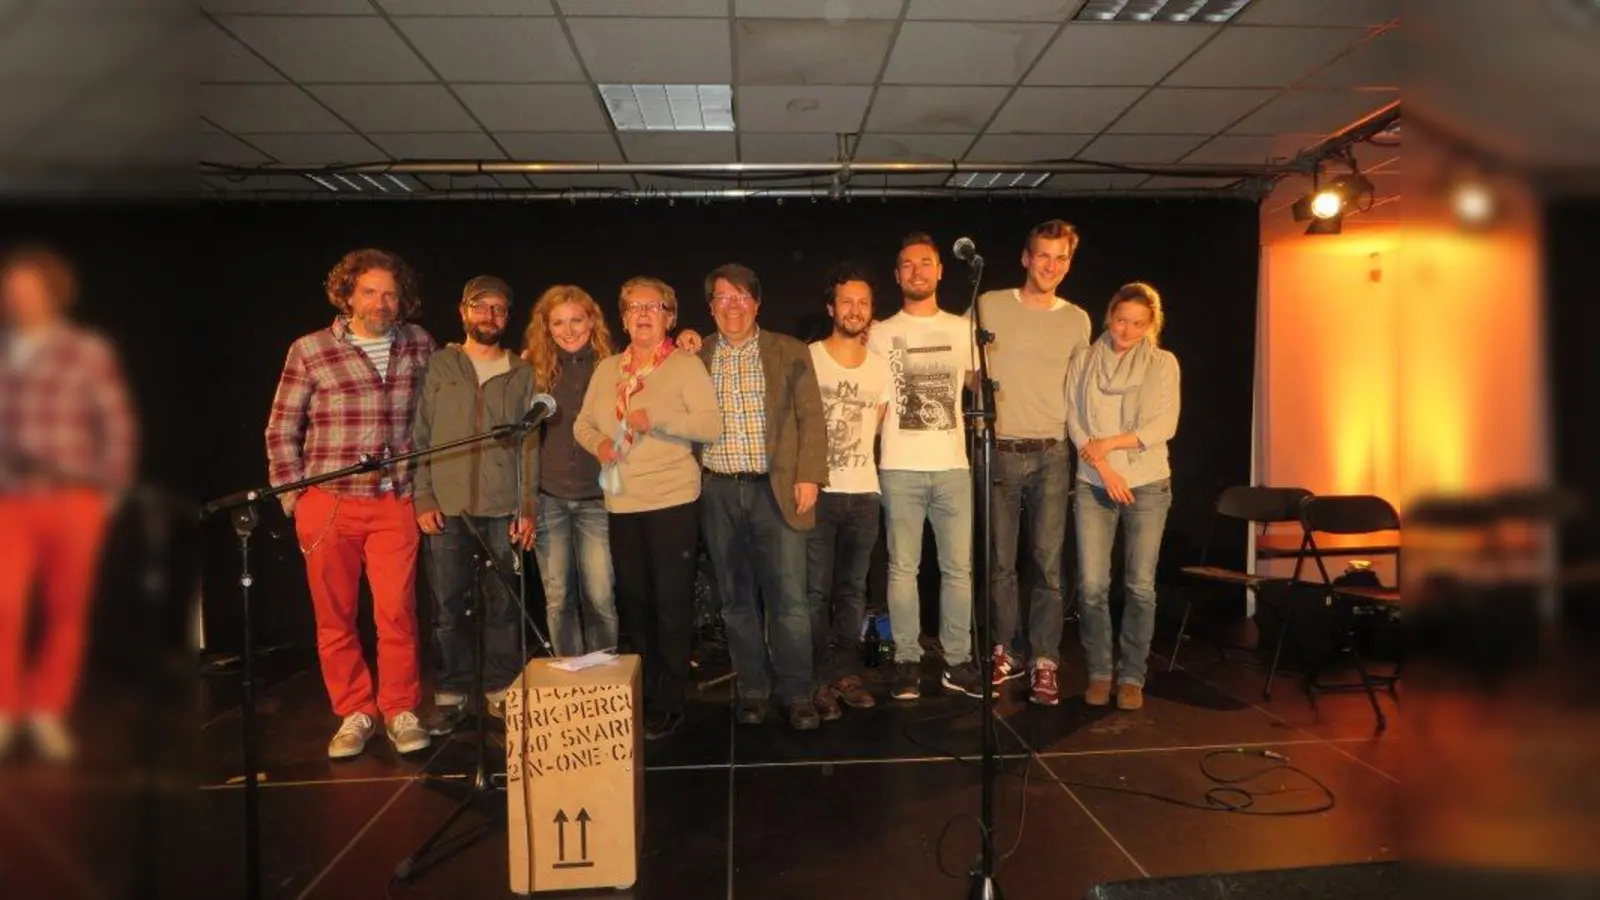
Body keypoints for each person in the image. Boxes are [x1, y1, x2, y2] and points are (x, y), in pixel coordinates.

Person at [265, 247, 435, 759]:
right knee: (334, 616)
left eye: (390, 294)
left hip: (395, 499)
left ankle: (400, 709)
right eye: (369, 292)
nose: (381, 303)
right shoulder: (310, 349)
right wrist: (294, 497)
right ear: (347, 295)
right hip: (330, 502)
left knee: (397, 612)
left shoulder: (419, 344)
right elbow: (282, 427)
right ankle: (354, 711)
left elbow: (437, 414)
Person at [0, 245, 137, 762]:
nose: (19, 298)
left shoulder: (85, 349)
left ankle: (47, 708)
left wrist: (110, 493)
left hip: (73, 497)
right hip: (9, 498)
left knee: (67, 609)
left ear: (53, 293)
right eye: (12, 289)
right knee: (5, 605)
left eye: (29, 289)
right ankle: (5, 708)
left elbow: (115, 421)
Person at [573, 277, 719, 740]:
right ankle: (644, 693)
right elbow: (582, 424)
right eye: (633, 307)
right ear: (623, 318)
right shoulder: (607, 369)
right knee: (634, 604)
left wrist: (656, 418)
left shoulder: (685, 365)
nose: (642, 314)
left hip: (672, 499)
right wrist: (599, 444)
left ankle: (670, 700)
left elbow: (710, 425)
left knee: (671, 604)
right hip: (622, 502)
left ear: (669, 317)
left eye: (653, 307)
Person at [696, 263, 829, 731]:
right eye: (722, 297)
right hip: (717, 491)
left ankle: (797, 692)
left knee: (789, 598)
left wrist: (810, 475)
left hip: (777, 489)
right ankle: (752, 687)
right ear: (710, 307)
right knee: (735, 600)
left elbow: (812, 417)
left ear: (757, 303)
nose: (732, 306)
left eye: (741, 297)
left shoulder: (789, 351)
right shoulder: (695, 355)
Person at [974, 219, 1092, 706]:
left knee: (1047, 564)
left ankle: (1045, 660)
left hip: (1051, 453)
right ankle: (1004, 650)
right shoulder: (988, 304)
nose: (1051, 265)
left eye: (1061, 257)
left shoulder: (1078, 320)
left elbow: (1083, 390)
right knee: (1000, 562)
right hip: (999, 449)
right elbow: (963, 364)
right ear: (1026, 258)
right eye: (1043, 255)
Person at [412, 275, 536, 726]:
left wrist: (526, 506)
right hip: (447, 507)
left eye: (499, 308)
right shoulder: (439, 365)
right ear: (463, 311)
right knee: (448, 607)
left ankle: (501, 688)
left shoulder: (522, 372)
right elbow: (421, 434)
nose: (490, 315)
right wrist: (423, 495)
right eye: (481, 306)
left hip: (502, 506)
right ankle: (451, 692)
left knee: (504, 606)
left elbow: (529, 445)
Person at [869, 232, 982, 701]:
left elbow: (981, 385)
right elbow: (871, 400)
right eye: (907, 264)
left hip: (953, 467)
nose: (917, 271)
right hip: (899, 467)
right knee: (902, 569)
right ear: (897, 275)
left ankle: (957, 660)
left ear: (940, 270)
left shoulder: (963, 329)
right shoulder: (879, 333)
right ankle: (907, 660)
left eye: (925, 263)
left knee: (958, 570)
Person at [1064, 282, 1180, 712]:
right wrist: (1106, 469)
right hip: (1095, 482)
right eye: (1120, 320)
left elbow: (1163, 426)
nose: (1126, 331)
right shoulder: (1084, 360)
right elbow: (1074, 421)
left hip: (1148, 482)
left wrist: (1109, 445)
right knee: (1092, 586)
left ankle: (1132, 676)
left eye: (1137, 323)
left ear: (1151, 325)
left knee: (1139, 585)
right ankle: (1099, 672)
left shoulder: (1163, 363)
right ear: (1109, 316)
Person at [807, 263, 890, 717]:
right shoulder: (809, 358)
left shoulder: (880, 368)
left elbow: (876, 426)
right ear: (830, 308)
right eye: (846, 301)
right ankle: (817, 679)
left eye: (863, 302)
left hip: (864, 494)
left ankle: (844, 673)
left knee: (853, 591)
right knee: (815, 592)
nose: (854, 310)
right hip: (819, 493)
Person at [523, 285, 619, 657]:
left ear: (592, 321)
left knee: (600, 597)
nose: (568, 330)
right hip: (550, 501)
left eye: (576, 320)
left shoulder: (613, 367)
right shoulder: (533, 370)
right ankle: (570, 678)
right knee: (558, 598)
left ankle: (605, 677)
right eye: (558, 323)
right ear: (546, 327)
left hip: (598, 500)